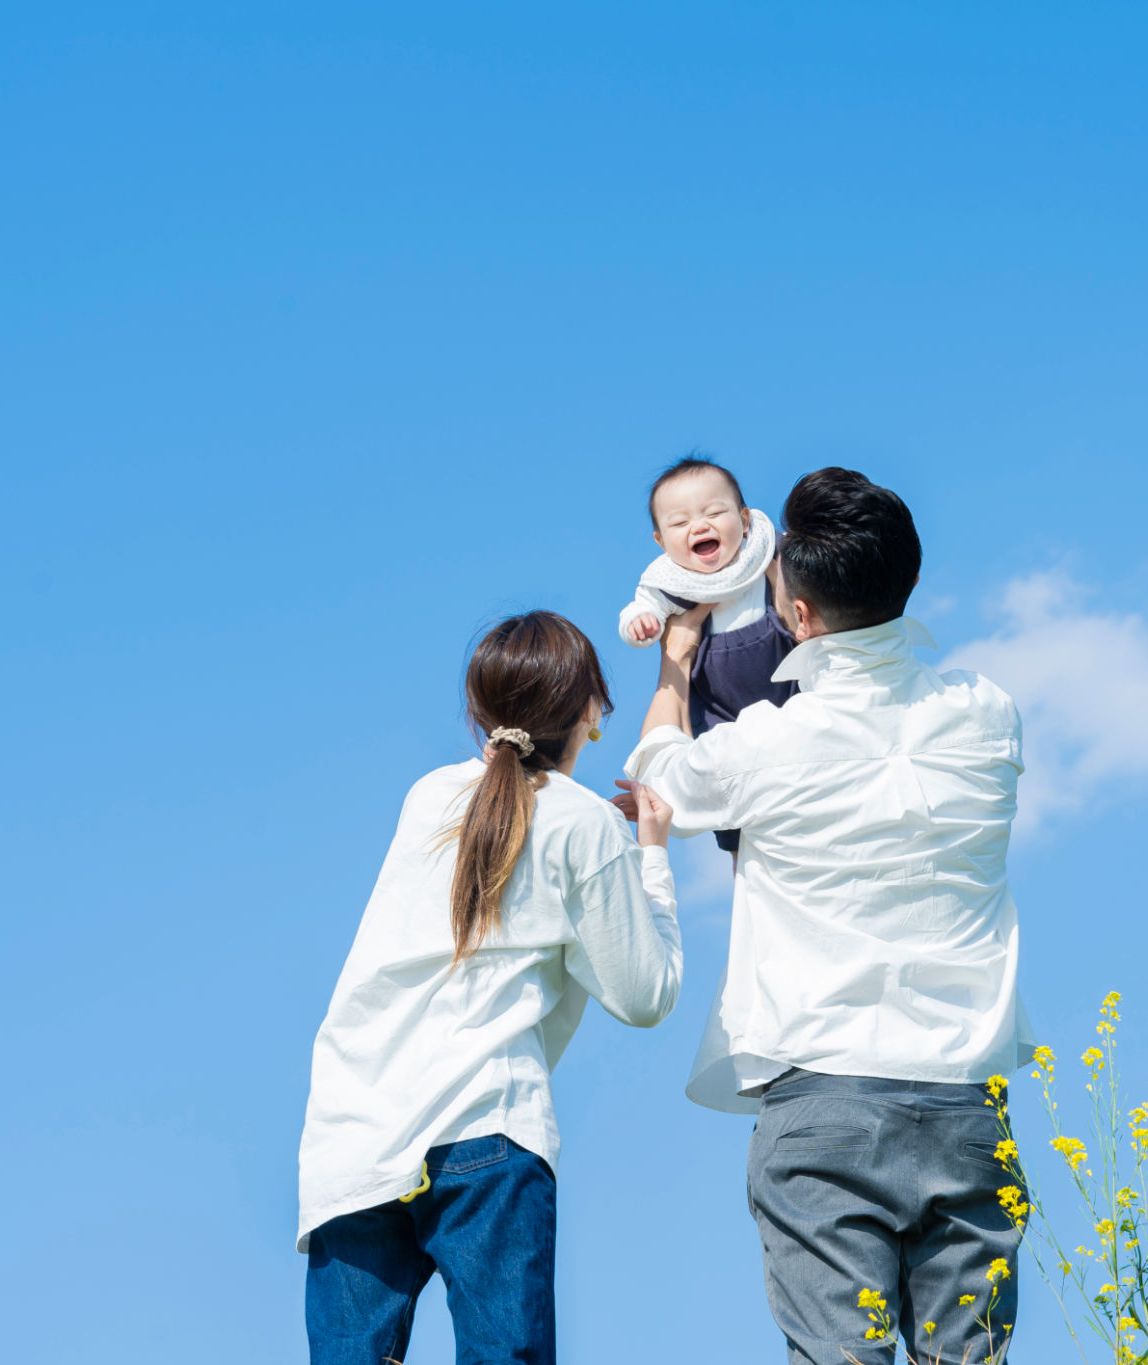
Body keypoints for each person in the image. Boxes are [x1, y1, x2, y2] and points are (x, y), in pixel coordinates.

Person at [623, 468, 1035, 1365]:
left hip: (823, 1090)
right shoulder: (988, 712)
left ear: (797, 619)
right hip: (966, 1097)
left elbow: (659, 772)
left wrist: (678, 664)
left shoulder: (773, 741)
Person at [299, 611, 683, 1365]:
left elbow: (510, 851)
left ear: (478, 711)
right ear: (592, 712)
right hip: (485, 1125)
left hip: (354, 1133)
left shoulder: (429, 797)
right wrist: (649, 858)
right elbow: (646, 994)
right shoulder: (584, 826)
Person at [616, 455, 798, 852]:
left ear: (746, 520)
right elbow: (639, 608)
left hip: (786, 684)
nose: (699, 525)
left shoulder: (766, 554)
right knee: (733, 815)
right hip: (717, 708)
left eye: (715, 512)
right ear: (661, 543)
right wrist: (641, 624)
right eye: (679, 523)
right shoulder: (671, 582)